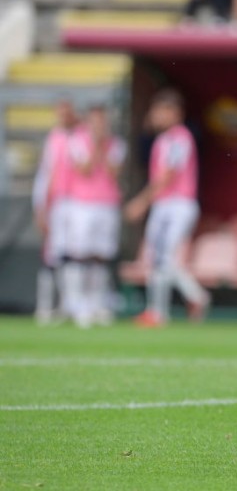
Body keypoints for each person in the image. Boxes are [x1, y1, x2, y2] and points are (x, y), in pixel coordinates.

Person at [125, 90, 210, 327]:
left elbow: (167, 175)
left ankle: (161, 311)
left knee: (163, 257)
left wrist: (142, 201)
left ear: (175, 113)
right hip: (163, 204)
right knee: (158, 258)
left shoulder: (180, 138)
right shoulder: (162, 139)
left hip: (178, 204)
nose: (155, 115)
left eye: (161, 111)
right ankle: (192, 298)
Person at [63, 105, 126, 327]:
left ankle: (97, 302)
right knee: (80, 253)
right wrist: (97, 146)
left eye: (103, 122)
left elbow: (113, 172)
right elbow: (84, 169)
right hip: (82, 204)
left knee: (101, 254)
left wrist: (103, 146)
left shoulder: (117, 144)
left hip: (107, 204)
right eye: (96, 122)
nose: (100, 126)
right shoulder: (77, 141)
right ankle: (77, 304)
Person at [31, 99, 78, 324]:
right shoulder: (54, 140)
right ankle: (44, 306)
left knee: (71, 255)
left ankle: (67, 304)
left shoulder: (80, 137)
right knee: (51, 255)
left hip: (77, 203)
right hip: (57, 203)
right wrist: (41, 207)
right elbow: (45, 175)